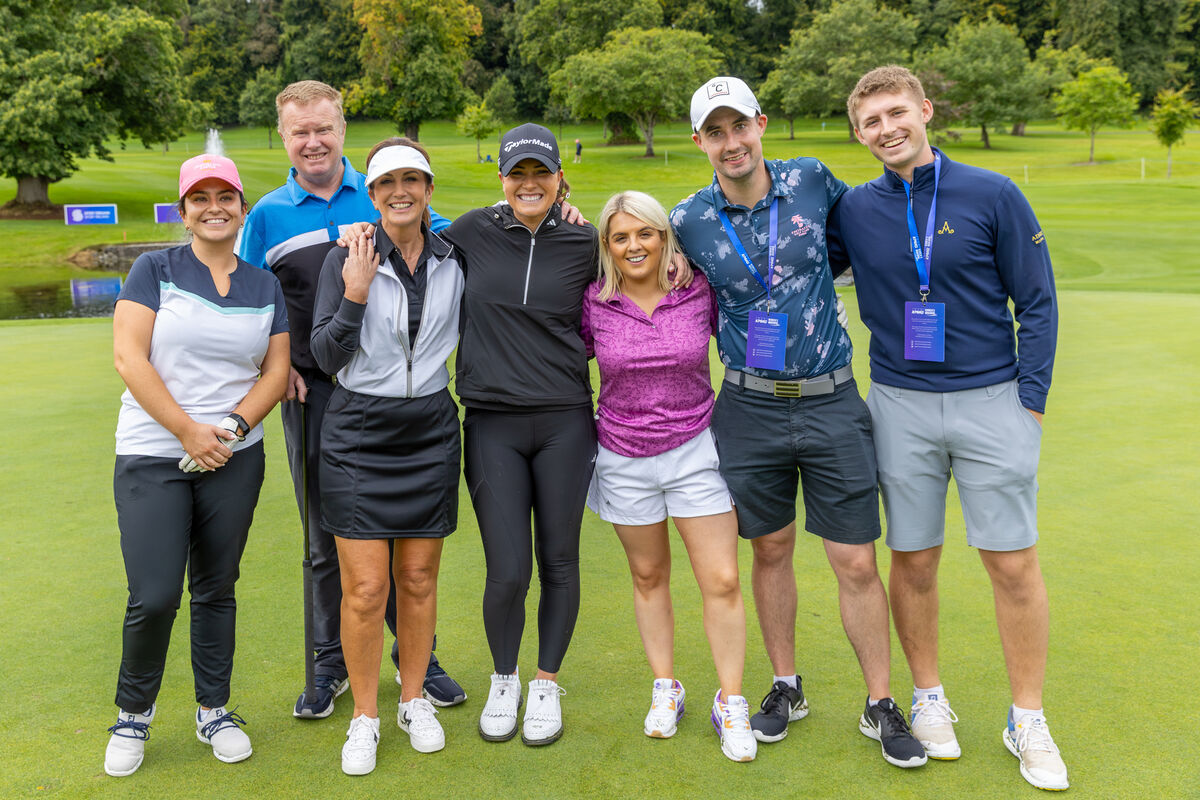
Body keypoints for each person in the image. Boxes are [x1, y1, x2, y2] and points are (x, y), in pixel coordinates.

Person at [671, 76, 926, 768]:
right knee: (771, 548)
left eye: (739, 127)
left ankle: (880, 703)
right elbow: (638, 262)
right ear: (700, 142)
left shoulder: (812, 180)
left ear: (761, 124)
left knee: (853, 559)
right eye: (715, 132)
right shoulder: (688, 219)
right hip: (749, 405)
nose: (731, 143)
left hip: (831, 399)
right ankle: (786, 687)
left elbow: (864, 236)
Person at [828, 65, 1066, 791]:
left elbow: (1039, 302)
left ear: (925, 110)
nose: (886, 129)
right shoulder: (854, 209)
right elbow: (798, 269)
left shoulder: (991, 193)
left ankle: (1027, 716)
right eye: (870, 122)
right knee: (915, 561)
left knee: (1013, 565)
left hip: (993, 401)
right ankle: (928, 697)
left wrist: (1029, 406)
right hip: (899, 404)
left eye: (896, 112)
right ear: (859, 134)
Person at [237, 80, 465, 718]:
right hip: (314, 391)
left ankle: (416, 660)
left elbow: (443, 237)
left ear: (341, 130)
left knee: (405, 546)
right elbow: (253, 299)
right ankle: (327, 665)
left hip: (397, 394)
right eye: (299, 131)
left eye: (323, 129)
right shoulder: (269, 215)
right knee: (326, 539)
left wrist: (566, 214)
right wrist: (273, 366)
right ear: (284, 137)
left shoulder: (381, 193)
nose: (313, 141)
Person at [104, 154, 290, 777]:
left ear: (242, 207)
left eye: (226, 196)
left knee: (216, 587)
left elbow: (277, 372)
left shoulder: (265, 284)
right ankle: (133, 714)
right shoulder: (153, 268)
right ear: (184, 210)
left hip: (235, 455)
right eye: (200, 197)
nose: (215, 207)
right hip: (154, 452)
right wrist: (189, 431)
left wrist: (233, 429)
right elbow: (131, 359)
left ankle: (214, 710)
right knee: (154, 595)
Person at [583, 191, 755, 762]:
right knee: (649, 576)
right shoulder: (594, 301)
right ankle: (667, 687)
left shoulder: (696, 289)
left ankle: (731, 701)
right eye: (621, 237)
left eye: (646, 234)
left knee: (723, 580)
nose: (635, 246)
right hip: (623, 455)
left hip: (695, 451)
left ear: (664, 237)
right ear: (607, 246)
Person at [310, 139, 464, 772]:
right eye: (386, 184)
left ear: (428, 190)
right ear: (370, 196)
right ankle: (365, 718)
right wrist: (355, 293)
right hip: (357, 431)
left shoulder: (460, 254)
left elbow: (525, 223)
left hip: (429, 426)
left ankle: (413, 700)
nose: (400, 191)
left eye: (413, 180)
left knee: (419, 580)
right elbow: (324, 355)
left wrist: (567, 209)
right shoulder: (346, 256)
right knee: (367, 588)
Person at [444, 123, 598, 747]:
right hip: (492, 422)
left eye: (541, 172)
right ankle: (503, 679)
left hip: (565, 420)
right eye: (518, 173)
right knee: (507, 569)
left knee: (559, 560)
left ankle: (544, 683)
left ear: (560, 178)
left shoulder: (587, 242)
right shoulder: (469, 232)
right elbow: (405, 244)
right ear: (502, 179)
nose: (529, 182)